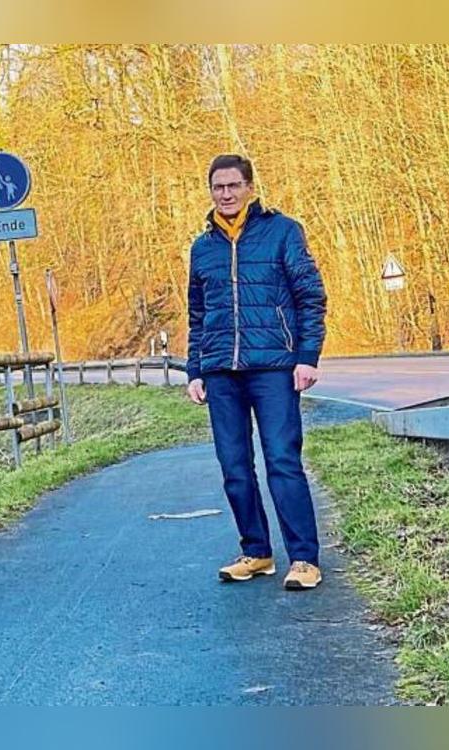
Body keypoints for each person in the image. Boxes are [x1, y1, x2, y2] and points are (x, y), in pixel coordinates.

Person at [186, 154, 328, 590]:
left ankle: (304, 558)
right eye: (217, 187)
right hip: (220, 373)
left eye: (233, 186)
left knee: (282, 462)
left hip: (274, 368)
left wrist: (307, 357)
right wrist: (196, 368)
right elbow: (197, 314)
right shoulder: (202, 247)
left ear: (249, 187)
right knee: (234, 467)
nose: (225, 194)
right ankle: (257, 551)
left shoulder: (282, 232)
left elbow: (311, 297)